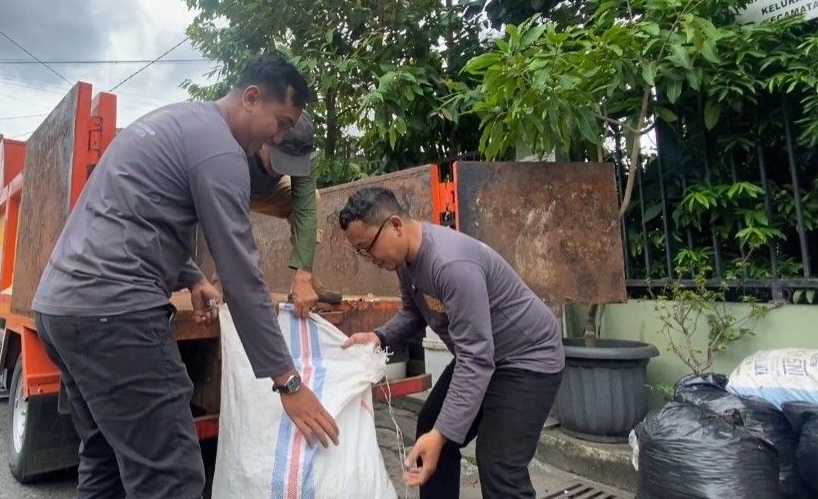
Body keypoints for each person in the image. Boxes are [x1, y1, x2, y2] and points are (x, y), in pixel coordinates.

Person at [32, 54, 339, 498]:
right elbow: (242, 276)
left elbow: (138, 216)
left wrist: (192, 276)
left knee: (105, 461)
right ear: (252, 98)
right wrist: (287, 380)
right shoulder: (222, 153)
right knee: (172, 478)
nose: (279, 137)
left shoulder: (172, 121)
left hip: (60, 312)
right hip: (116, 318)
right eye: (281, 123)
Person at [339, 187, 564, 499]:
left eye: (368, 247)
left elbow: (476, 358)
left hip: (527, 358)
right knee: (431, 425)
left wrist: (443, 434)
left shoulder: (450, 265)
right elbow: (414, 312)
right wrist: (380, 337)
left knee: (499, 464)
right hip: (484, 353)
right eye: (360, 252)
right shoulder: (404, 261)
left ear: (396, 225)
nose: (369, 258)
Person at [243, 110, 343, 315]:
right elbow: (225, 219)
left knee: (313, 198)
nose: (282, 170)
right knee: (228, 289)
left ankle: (306, 281)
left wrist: (303, 275)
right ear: (267, 141)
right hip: (235, 187)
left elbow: (305, 210)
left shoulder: (307, 154)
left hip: (268, 191)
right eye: (280, 161)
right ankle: (223, 282)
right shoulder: (243, 140)